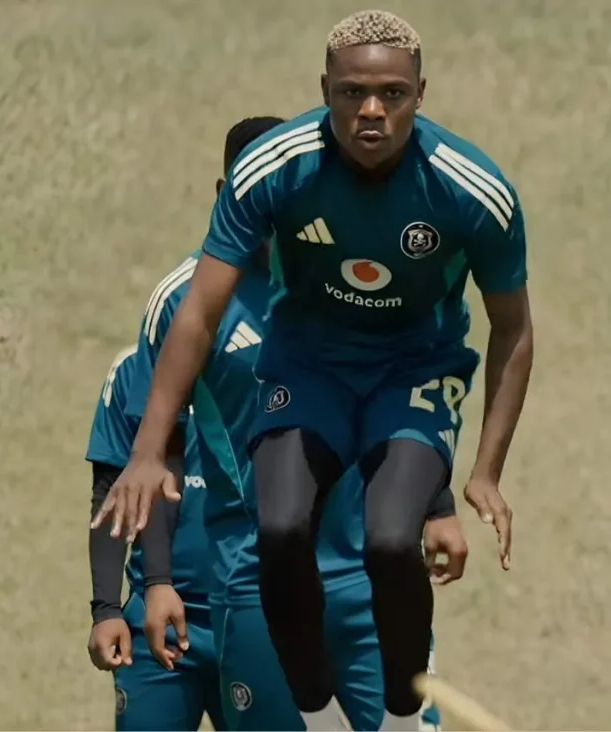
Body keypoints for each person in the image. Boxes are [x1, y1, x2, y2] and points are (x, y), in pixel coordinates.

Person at [94, 10, 533, 730]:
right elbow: (197, 314)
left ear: (421, 94)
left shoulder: (472, 188)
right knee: (280, 529)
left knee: (389, 539)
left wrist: (484, 472)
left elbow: (513, 328)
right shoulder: (276, 167)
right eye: (352, 92)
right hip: (309, 366)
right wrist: (146, 451)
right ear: (324, 89)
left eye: (392, 94)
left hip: (412, 369)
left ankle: (399, 714)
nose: (372, 110)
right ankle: (318, 714)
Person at [128, 115, 463, 731]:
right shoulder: (182, 302)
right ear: (225, 194)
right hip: (258, 585)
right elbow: (158, 451)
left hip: (368, 585)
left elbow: (406, 386)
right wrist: (157, 579)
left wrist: (438, 505)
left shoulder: (359, 267)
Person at [84, 346, 224, 730]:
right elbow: (111, 489)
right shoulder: (133, 368)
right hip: (153, 627)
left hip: (252, 619)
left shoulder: (269, 354)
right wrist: (106, 609)